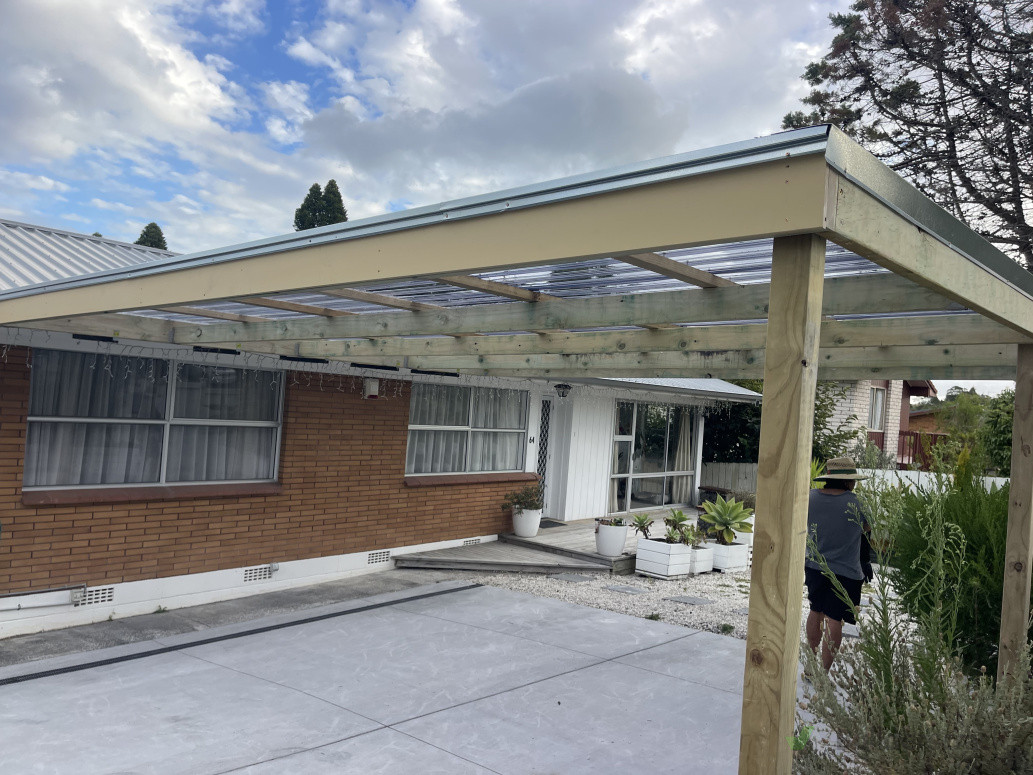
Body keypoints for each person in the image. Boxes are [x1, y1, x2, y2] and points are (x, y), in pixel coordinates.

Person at [804, 456, 873, 672]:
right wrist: (865, 561)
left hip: (814, 567)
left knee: (815, 610)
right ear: (846, 481)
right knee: (834, 619)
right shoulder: (858, 503)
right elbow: (867, 531)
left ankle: (810, 667)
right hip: (846, 571)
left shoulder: (809, 498)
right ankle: (823, 673)